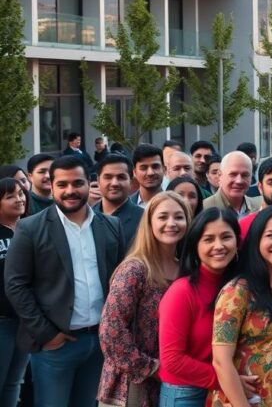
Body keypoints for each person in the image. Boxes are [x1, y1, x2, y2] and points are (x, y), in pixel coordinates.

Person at [4, 155, 126, 407]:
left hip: (98, 343)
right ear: (53, 186)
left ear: (88, 183)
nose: (70, 190)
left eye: (77, 183)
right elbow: (16, 285)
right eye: (62, 184)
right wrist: (47, 334)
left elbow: (119, 281)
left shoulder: (111, 225)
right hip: (55, 345)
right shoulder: (30, 228)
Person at [98, 191, 192, 407]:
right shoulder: (134, 269)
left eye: (179, 216)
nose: (171, 223)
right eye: (163, 217)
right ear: (149, 223)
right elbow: (111, 331)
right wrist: (150, 367)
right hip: (131, 383)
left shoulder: (185, 270)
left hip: (173, 383)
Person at [211, 206, 272, 407]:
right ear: (257, 240)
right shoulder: (238, 291)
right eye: (271, 235)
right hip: (244, 400)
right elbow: (221, 361)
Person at [158, 208, 249, 407]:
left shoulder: (239, 287)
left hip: (222, 388)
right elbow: (172, 359)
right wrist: (225, 379)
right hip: (185, 394)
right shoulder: (182, 292)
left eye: (226, 237)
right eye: (208, 239)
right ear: (195, 246)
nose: (219, 246)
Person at [0, 178, 29, 407]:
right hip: (2, 322)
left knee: (14, 383)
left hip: (26, 322)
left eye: (20, 193)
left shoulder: (30, 228)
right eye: (10, 196)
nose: (19, 199)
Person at [94, 153, 145, 246]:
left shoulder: (144, 219)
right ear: (98, 181)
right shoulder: (88, 216)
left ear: (131, 182)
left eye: (121, 177)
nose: (114, 183)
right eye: (108, 177)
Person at [203, 151, 262, 217]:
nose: (239, 181)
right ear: (220, 175)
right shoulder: (204, 208)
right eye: (233, 174)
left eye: (245, 175)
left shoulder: (260, 207)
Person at [130, 144, 165, 208]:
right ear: (134, 172)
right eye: (144, 168)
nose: (150, 173)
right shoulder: (127, 206)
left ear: (164, 169)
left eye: (155, 167)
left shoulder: (175, 204)